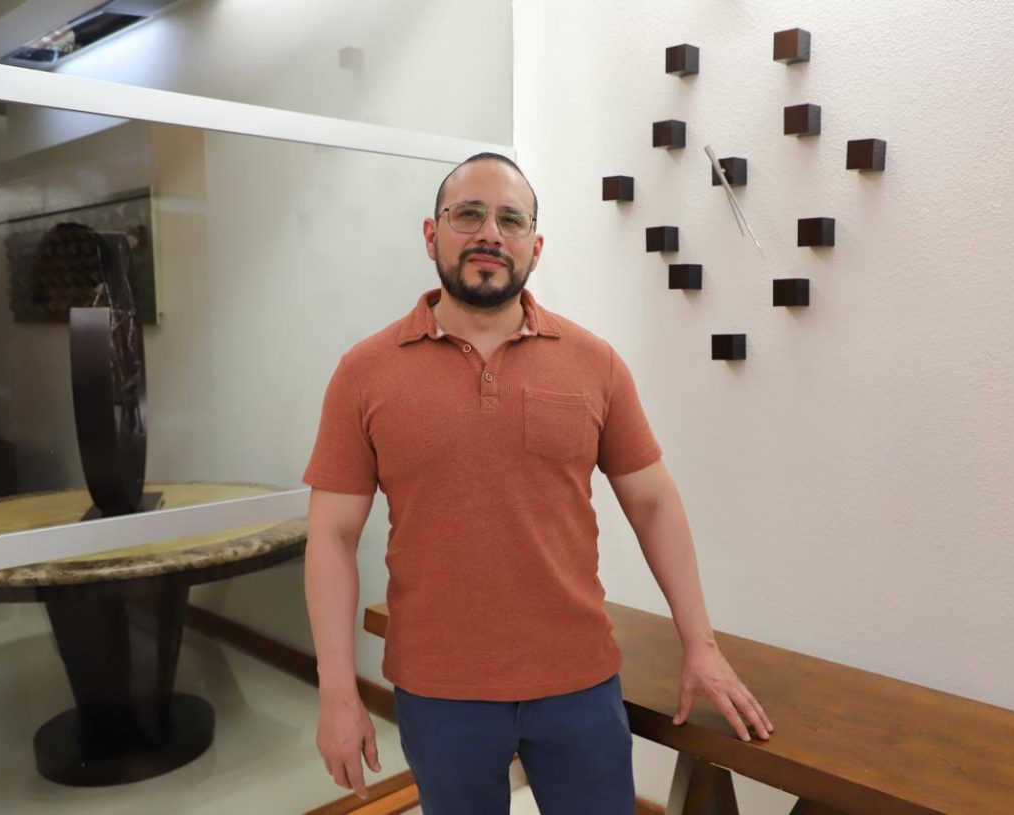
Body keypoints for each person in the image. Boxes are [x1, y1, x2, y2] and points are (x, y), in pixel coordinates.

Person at [303, 153, 773, 815]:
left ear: (535, 245)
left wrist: (702, 645)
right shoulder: (364, 373)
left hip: (578, 682)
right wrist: (336, 691)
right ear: (432, 235)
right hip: (439, 691)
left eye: (511, 219)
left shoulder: (594, 363)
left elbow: (653, 503)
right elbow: (331, 536)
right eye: (468, 215)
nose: (490, 233)